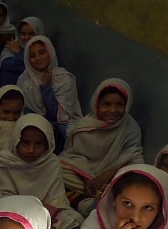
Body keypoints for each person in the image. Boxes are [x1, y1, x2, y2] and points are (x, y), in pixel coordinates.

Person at [60, 78, 142, 215]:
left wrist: (109, 174)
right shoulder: (85, 126)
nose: (112, 110)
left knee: (132, 183)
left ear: (127, 105)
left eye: (119, 105)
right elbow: (71, 156)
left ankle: (84, 199)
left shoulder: (130, 128)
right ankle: (93, 199)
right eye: (106, 104)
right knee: (55, 167)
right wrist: (87, 177)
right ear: (97, 104)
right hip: (83, 176)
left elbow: (135, 159)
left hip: (110, 178)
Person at [0, 114, 83, 229]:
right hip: (15, 214)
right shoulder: (3, 162)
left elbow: (57, 199)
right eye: (25, 142)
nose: (31, 150)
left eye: (38, 144)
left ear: (48, 145)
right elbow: (3, 199)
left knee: (76, 219)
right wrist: (31, 208)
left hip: (46, 213)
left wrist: (45, 212)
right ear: (16, 140)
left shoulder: (51, 163)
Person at [17, 35, 81, 151]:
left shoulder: (64, 79)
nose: (38, 58)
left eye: (42, 52)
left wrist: (45, 87)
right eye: (32, 56)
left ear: (51, 52)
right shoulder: (24, 79)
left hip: (59, 125)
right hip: (33, 123)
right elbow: (23, 109)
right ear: (27, 59)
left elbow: (57, 115)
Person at [0, 17, 43, 87]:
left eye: (31, 34)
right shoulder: (12, 45)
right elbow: (6, 64)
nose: (26, 38)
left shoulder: (44, 49)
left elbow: (40, 67)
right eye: (23, 34)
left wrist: (18, 51)